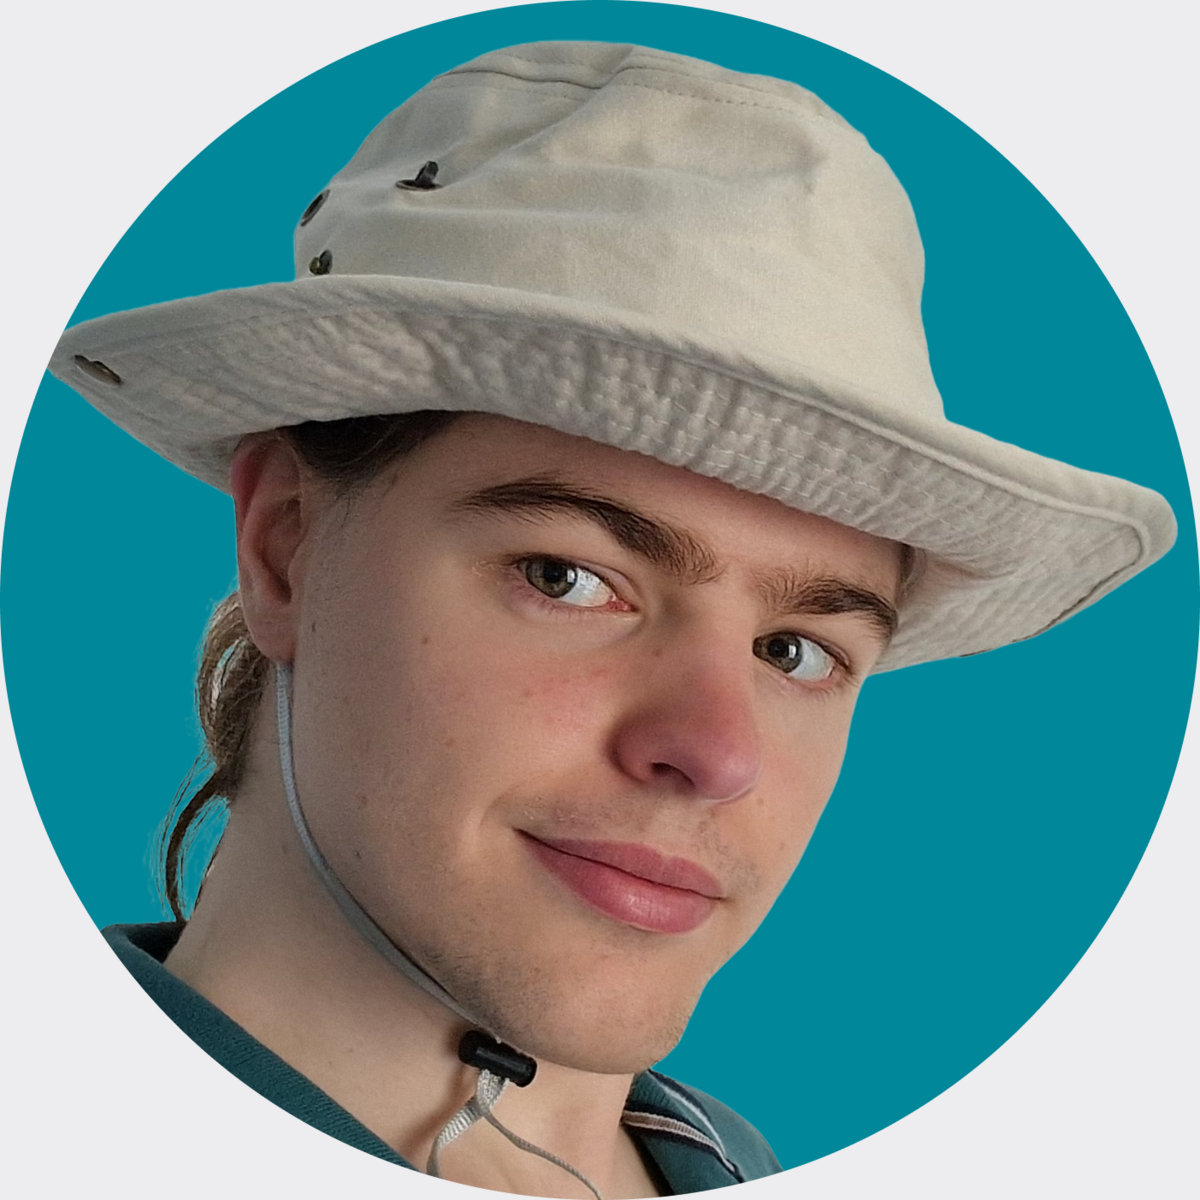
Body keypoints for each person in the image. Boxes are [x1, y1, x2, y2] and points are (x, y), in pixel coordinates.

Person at [46, 40, 1174, 1199]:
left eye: (796, 651)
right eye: (568, 578)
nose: (718, 753)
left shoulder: (729, 1159)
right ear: (285, 544)